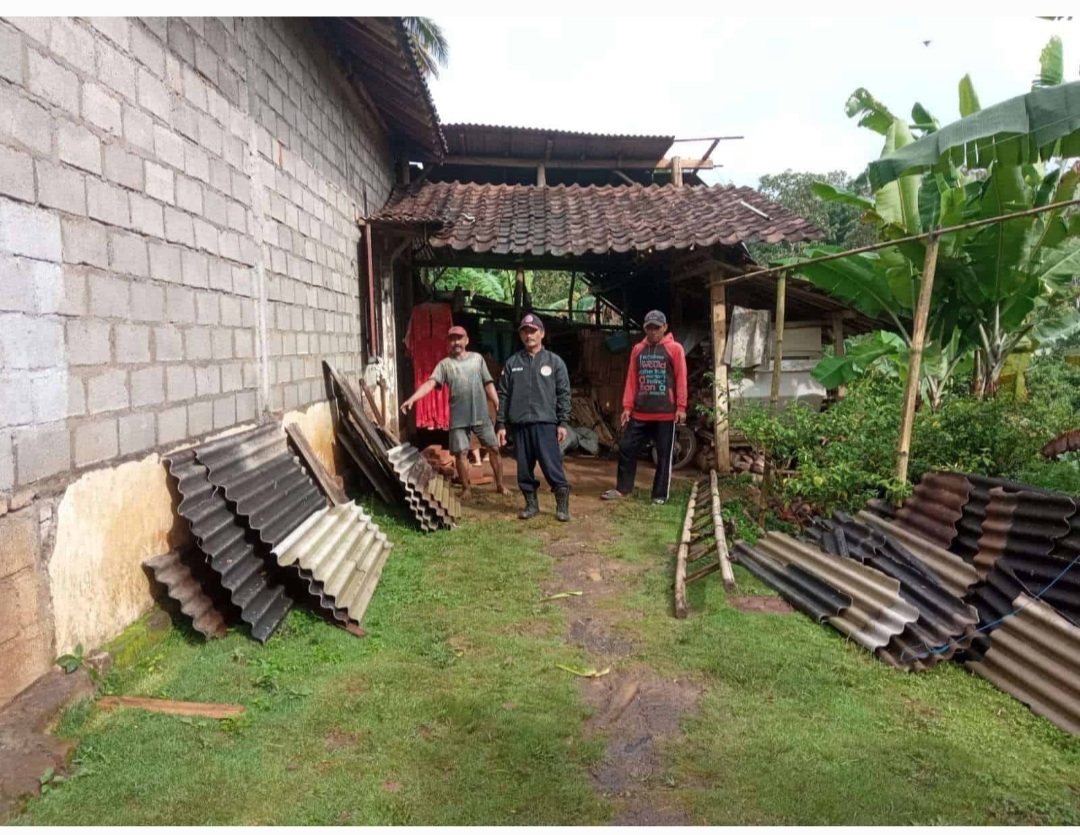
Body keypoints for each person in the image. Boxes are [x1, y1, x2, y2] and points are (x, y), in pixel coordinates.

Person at [401, 325, 510, 500]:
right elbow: (430, 383)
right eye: (452, 339)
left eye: (459, 338)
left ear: (466, 340)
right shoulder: (445, 365)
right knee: (461, 453)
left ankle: (500, 485)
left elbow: (488, 383)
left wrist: (496, 401)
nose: (456, 342)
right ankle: (466, 489)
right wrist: (413, 399)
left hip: (481, 415)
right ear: (448, 343)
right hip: (458, 418)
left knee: (494, 449)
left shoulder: (477, 359)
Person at [601, 310, 687, 505]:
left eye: (657, 327)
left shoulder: (675, 349)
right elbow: (632, 379)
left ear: (665, 327)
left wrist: (681, 407)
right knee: (626, 447)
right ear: (644, 328)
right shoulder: (638, 350)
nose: (653, 331)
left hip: (665, 414)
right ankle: (623, 489)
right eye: (650, 327)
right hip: (640, 413)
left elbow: (681, 379)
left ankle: (659, 495)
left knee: (664, 455)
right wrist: (627, 407)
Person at [496, 314, 573, 522]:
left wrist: (563, 422)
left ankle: (562, 506)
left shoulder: (555, 362)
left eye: (533, 331)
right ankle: (531, 505)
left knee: (551, 466)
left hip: (545, 424)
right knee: (524, 469)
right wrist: (501, 424)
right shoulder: (513, 363)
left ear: (542, 333)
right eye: (525, 331)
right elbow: (503, 395)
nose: (529, 335)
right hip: (520, 425)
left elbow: (564, 393)